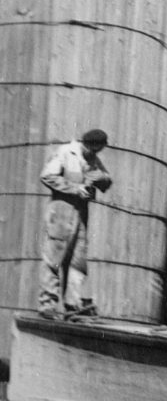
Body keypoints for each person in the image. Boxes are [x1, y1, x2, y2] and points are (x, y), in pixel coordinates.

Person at [38, 128, 113, 319]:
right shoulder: (66, 152)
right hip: (61, 211)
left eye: (99, 152)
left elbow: (106, 180)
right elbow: (47, 175)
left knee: (78, 261)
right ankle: (48, 305)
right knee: (53, 258)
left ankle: (73, 304)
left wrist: (101, 178)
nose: (96, 155)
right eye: (94, 150)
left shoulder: (93, 159)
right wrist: (75, 188)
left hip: (80, 213)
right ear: (87, 144)